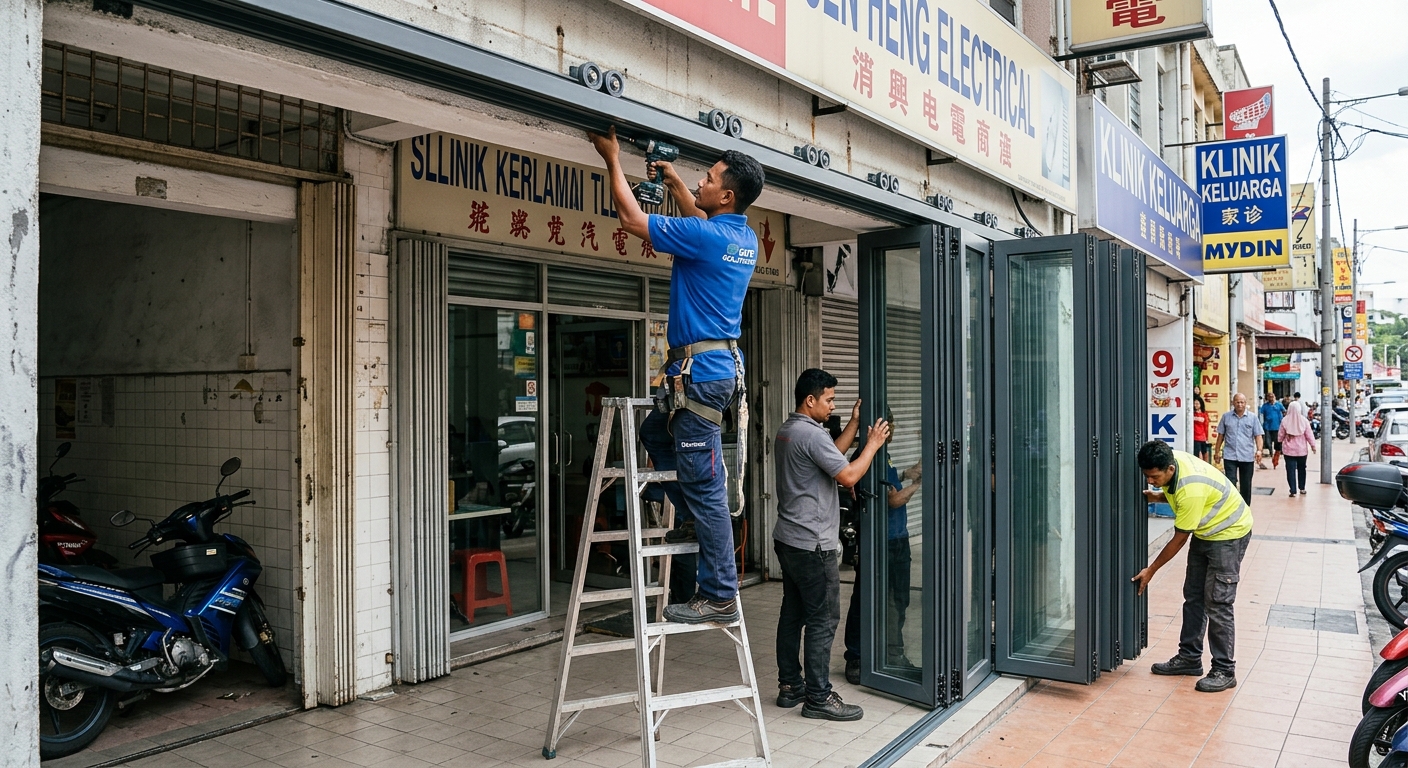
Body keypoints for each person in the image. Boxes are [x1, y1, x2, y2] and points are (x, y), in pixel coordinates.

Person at [589, 126, 765, 624]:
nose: (699, 184)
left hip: (700, 373)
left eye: (707, 179)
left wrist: (612, 157)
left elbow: (630, 218)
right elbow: (697, 214)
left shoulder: (708, 236)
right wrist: (673, 183)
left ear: (726, 194)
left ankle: (720, 594)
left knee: (707, 485)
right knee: (652, 432)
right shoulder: (741, 237)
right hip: (710, 370)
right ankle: (688, 519)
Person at [773, 369, 889, 721]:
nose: (832, 405)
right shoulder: (810, 434)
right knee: (823, 620)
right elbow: (849, 474)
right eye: (829, 399)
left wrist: (853, 425)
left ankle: (790, 685)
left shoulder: (790, 430)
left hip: (788, 539)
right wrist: (872, 444)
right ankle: (819, 696)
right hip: (813, 545)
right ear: (810, 400)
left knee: (793, 615)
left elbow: (830, 457)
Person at [1133, 440, 1253, 693]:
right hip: (1206, 531)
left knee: (1218, 602)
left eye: (1155, 477)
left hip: (1229, 534)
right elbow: (1173, 491)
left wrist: (1151, 569)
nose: (1151, 481)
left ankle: (1224, 669)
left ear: (1170, 469)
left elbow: (1178, 539)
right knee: (1194, 596)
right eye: (1147, 477)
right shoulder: (1171, 463)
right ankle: (1189, 658)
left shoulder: (1191, 489)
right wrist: (1158, 494)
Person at [841, 410, 921, 685]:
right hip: (879, 540)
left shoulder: (882, 455)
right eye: (889, 425)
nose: (893, 429)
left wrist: (905, 473)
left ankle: (892, 653)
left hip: (897, 538)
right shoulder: (866, 457)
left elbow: (887, 481)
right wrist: (918, 484)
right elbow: (893, 501)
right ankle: (857, 657)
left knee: (899, 599)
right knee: (867, 598)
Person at [1214, 393, 1263, 503]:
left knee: (1246, 484)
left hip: (1247, 456)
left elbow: (1258, 435)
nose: (1239, 404)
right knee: (1230, 482)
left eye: (1242, 402)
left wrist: (1259, 450)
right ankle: (1232, 505)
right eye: (1237, 402)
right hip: (1230, 455)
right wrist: (1217, 452)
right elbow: (1221, 435)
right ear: (1233, 403)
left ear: (1245, 403)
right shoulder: (1226, 417)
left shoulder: (1253, 418)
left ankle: (1245, 507)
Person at [1279, 405, 1316, 497]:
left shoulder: (1285, 420)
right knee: (1302, 469)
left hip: (1288, 451)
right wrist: (1313, 445)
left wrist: (1279, 442)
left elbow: (1280, 435)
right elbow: (1309, 434)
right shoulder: (1304, 420)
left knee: (1290, 470)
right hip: (1301, 451)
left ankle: (1293, 489)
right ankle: (1302, 488)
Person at [1258, 392, 1285, 470]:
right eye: (1269, 397)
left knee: (1277, 444)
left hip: (1277, 427)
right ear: (1267, 398)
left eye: (1272, 396)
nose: (1271, 398)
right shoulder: (1265, 406)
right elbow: (1261, 414)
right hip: (1267, 427)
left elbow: (1284, 411)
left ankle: (1275, 459)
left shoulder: (1278, 405)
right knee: (1268, 443)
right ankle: (1271, 453)